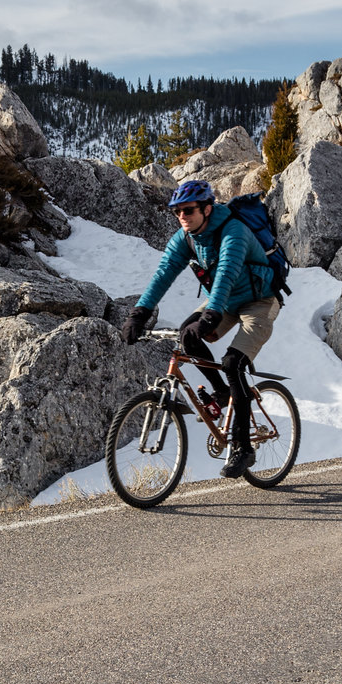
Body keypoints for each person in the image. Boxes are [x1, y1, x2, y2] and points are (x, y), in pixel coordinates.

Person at [120, 179, 283, 478]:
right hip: (227, 301)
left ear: (207, 209)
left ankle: (243, 447)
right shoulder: (187, 236)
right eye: (177, 211)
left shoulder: (233, 230)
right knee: (187, 336)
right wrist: (139, 314)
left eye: (188, 210)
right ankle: (222, 393)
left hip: (260, 300)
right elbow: (163, 273)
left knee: (233, 363)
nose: (182, 216)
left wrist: (210, 315)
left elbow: (226, 273)